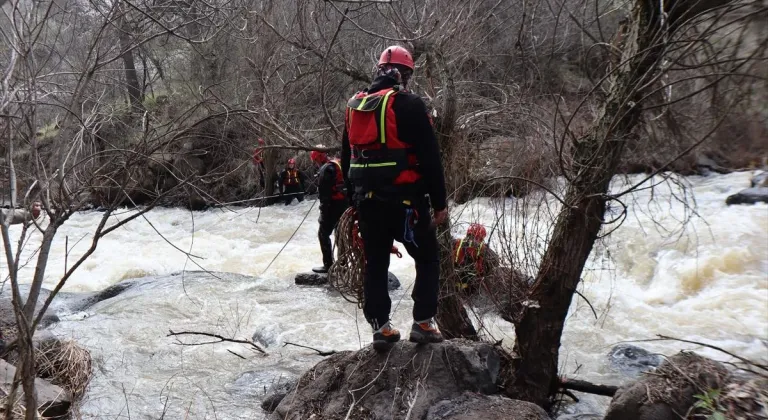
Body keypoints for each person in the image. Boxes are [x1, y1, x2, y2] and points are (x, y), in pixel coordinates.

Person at [341, 45, 449, 351]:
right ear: (405, 75)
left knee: (375, 262)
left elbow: (346, 160)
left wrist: (354, 202)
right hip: (406, 203)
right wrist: (439, 205)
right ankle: (424, 322)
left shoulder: (354, 107)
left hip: (368, 203)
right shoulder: (410, 104)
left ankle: (382, 328)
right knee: (427, 258)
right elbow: (430, 159)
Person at [310, 148, 349, 273]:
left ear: (318, 158)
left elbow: (324, 194)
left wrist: (323, 212)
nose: (315, 163)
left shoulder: (325, 169)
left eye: (315, 160)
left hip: (333, 205)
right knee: (340, 234)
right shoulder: (339, 163)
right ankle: (343, 265)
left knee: (323, 234)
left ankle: (328, 265)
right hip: (345, 204)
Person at [453, 223, 499, 294]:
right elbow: (496, 261)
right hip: (472, 287)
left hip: (455, 283)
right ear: (481, 237)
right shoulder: (484, 249)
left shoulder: (457, 243)